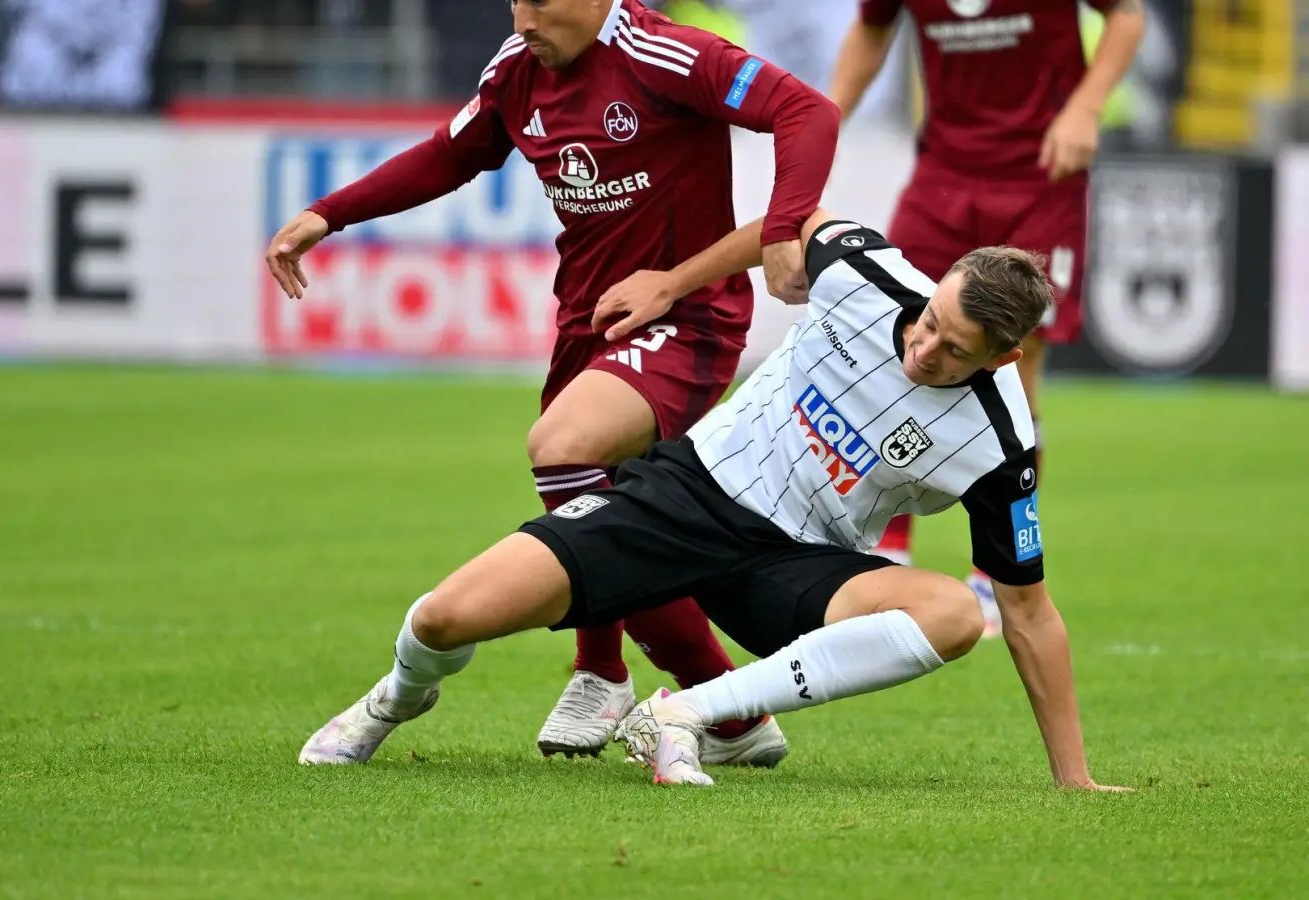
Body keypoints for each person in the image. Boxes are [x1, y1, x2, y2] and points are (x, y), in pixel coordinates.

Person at [298, 205, 1130, 794]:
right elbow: (786, 224)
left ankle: (687, 715)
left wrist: (1075, 779)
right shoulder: (870, 272)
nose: (924, 347)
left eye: (954, 351)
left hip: (796, 567)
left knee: (953, 615)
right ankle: (393, 700)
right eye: (931, 320)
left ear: (1006, 356)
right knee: (446, 617)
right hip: (686, 494)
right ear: (937, 281)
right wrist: (671, 283)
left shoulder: (1001, 442)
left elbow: (1027, 612)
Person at [267, 0, 840, 762]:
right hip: (587, 325)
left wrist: (779, 231)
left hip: (686, 319)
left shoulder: (662, 54)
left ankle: (620, 673)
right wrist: (326, 215)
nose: (526, 15)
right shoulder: (516, 70)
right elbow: (449, 154)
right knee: (604, 501)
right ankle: (723, 714)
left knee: (564, 447)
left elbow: (807, 109)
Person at [829, 0, 1146, 634]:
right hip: (945, 169)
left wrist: (1086, 107)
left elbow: (1127, 14)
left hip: (1041, 174)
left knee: (1017, 370)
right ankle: (886, 550)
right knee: (903, 344)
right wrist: (825, 118)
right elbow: (872, 26)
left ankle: (996, 576)